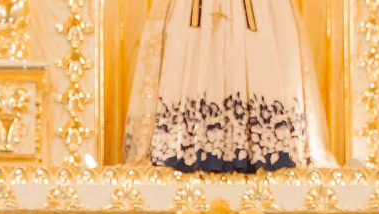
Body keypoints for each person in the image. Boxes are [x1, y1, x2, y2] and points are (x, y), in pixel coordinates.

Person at [122, 0, 332, 172]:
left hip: (257, 12)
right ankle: (188, 145)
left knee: (260, 60)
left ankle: (256, 148)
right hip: (194, 12)